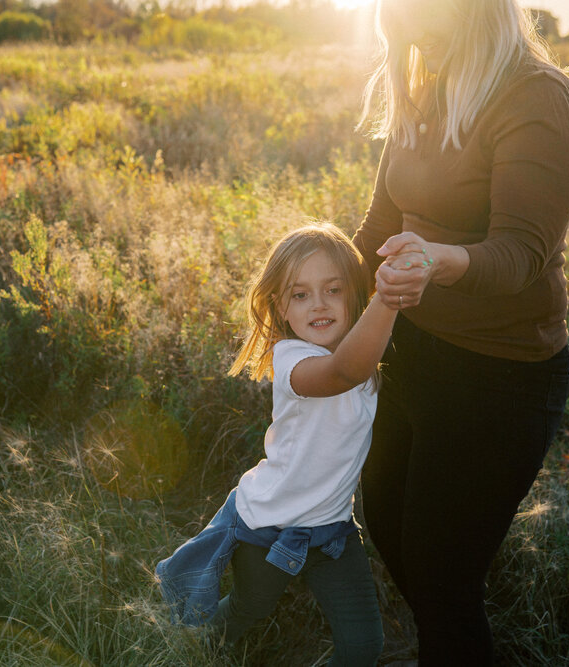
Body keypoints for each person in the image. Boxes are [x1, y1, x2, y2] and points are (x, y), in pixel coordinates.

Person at [352, 0, 569, 664]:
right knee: (386, 516)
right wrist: (305, 297)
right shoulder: (425, 85)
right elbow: (376, 231)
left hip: (500, 376)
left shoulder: (538, 99)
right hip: (413, 353)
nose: (412, 32)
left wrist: (437, 259)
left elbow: (520, 255)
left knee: (441, 571)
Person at [156, 223, 404, 665]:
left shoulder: (367, 355)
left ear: (354, 295)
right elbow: (341, 374)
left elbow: (361, 362)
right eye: (300, 294)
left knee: (364, 646)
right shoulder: (293, 358)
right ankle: (194, 654)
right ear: (280, 306)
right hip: (268, 529)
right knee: (248, 610)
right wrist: (390, 298)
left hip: (333, 532)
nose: (320, 305)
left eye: (333, 289)